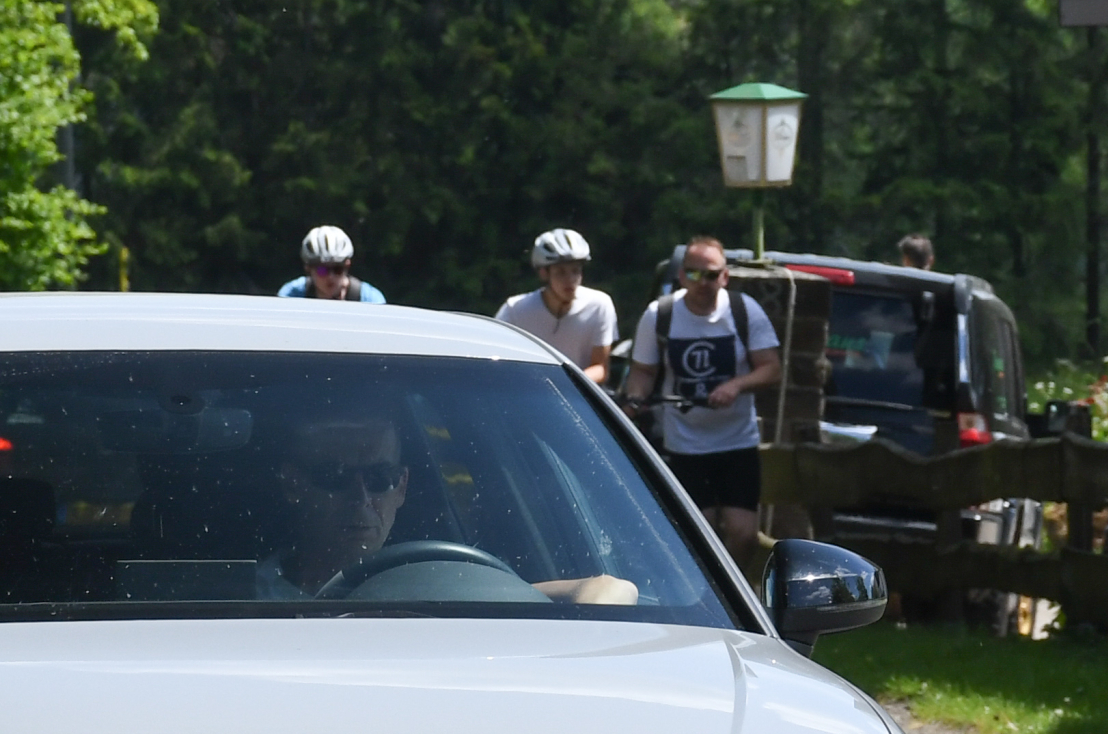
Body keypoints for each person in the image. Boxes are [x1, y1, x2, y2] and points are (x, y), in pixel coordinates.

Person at [256, 410, 633, 604]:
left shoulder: (437, 589)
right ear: (294, 485)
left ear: (402, 487)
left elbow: (610, 589)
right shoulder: (240, 596)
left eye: (380, 478)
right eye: (334, 475)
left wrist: (596, 623)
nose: (361, 498)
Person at [620, 236, 780, 566]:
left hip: (737, 441)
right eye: (693, 274)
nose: (702, 283)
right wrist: (633, 403)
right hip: (685, 444)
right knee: (699, 530)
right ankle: (707, 602)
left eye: (710, 275)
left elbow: (771, 369)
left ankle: (736, 598)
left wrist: (735, 386)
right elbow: (643, 372)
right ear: (681, 276)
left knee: (743, 532)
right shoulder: (660, 314)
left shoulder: (743, 311)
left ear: (724, 276)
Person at [494, 229, 617, 383]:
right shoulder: (515, 309)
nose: (570, 279)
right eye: (561, 272)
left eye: (575, 271)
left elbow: (600, 367)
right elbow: (497, 361)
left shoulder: (599, 305)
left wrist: (565, 385)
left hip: (578, 396)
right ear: (544, 273)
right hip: (526, 391)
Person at [275, 226, 386, 304]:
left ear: (347, 266)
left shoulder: (370, 300)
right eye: (322, 270)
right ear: (308, 269)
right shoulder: (291, 296)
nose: (330, 277)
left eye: (338, 269)